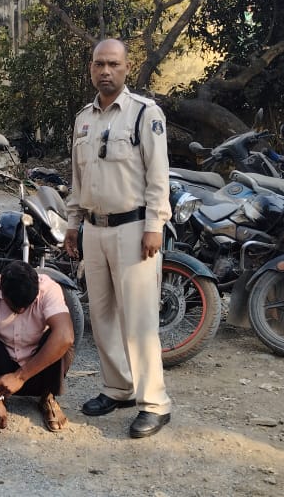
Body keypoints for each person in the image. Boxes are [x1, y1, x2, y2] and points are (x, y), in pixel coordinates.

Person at [63, 38, 173, 438]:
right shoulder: (83, 119)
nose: (105, 71)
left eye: (113, 64)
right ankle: (118, 387)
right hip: (94, 229)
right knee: (103, 316)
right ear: (91, 68)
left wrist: (154, 226)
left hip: (134, 229)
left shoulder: (144, 113)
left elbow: (158, 176)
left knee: (139, 320)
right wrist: (72, 224)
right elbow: (78, 178)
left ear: (127, 67)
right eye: (99, 64)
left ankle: (155, 403)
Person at [0, 261, 75, 432]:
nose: (21, 310)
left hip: (35, 368)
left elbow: (65, 336)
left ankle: (47, 397)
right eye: (14, 305)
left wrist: (20, 377)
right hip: (1, 367)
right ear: (1, 289)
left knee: (61, 339)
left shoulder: (49, 288)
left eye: (26, 305)